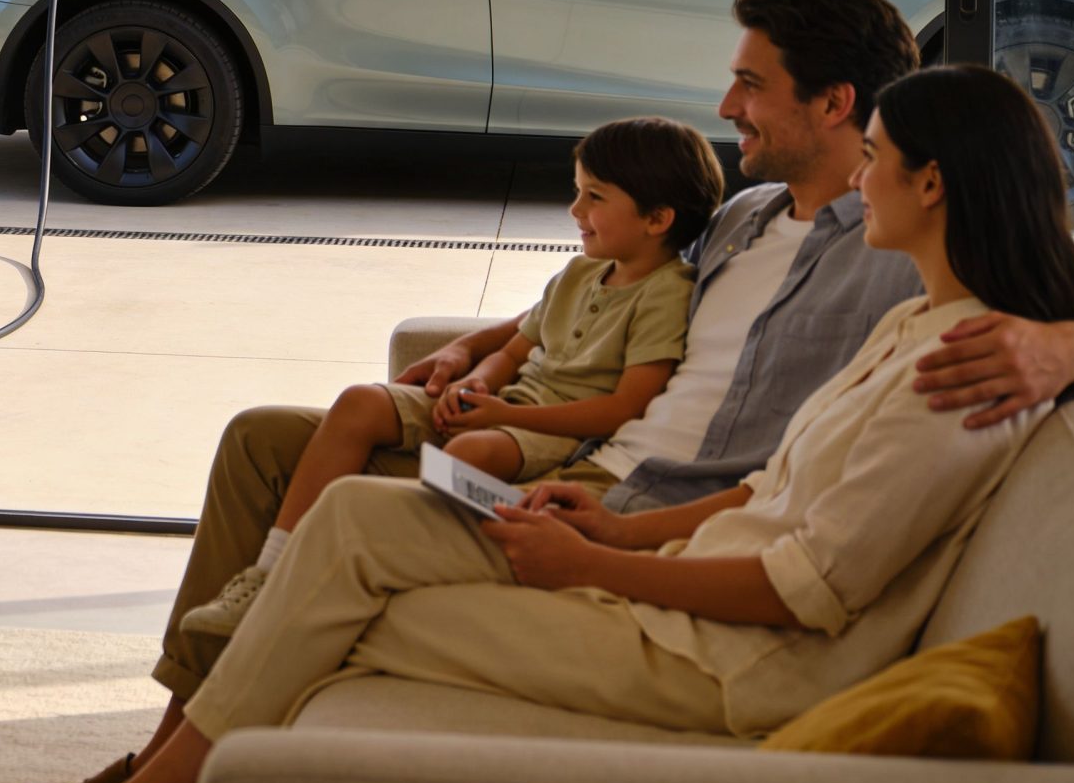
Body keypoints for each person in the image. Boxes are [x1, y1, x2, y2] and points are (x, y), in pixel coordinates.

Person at [28, 0, 1074, 783]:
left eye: (749, 85)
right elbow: (597, 285)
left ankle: (169, 777)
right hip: (608, 485)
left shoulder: (911, 283)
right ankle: (168, 741)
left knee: (346, 535)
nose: (724, 108)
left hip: (637, 502)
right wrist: (484, 344)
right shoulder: (736, 217)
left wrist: (1069, 352)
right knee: (264, 444)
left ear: (841, 113)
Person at [174, 116, 723, 641]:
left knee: (476, 454)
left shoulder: (667, 293)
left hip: (545, 432)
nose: (575, 208)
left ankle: (348, 566)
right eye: (578, 191)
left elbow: (625, 407)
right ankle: (268, 572)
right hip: (502, 404)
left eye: (595, 197)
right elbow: (512, 349)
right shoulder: (580, 273)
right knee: (359, 402)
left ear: (657, 218)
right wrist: (476, 382)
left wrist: (504, 415)